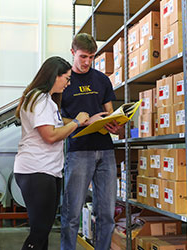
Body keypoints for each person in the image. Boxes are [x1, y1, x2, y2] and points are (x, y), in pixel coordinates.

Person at [14, 56, 89, 250]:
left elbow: (54, 122)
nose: (68, 83)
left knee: (42, 230)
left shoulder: (45, 99)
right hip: (36, 170)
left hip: (46, 170)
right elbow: (50, 135)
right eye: (67, 78)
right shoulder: (39, 98)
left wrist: (85, 121)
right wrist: (77, 122)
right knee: (39, 232)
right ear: (54, 76)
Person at [60, 33, 123, 250]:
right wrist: (84, 122)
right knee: (71, 213)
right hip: (78, 152)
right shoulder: (64, 82)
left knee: (106, 213)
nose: (87, 61)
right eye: (83, 56)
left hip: (106, 151)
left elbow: (110, 113)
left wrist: (116, 125)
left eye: (91, 57)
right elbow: (57, 120)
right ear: (72, 53)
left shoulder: (102, 80)